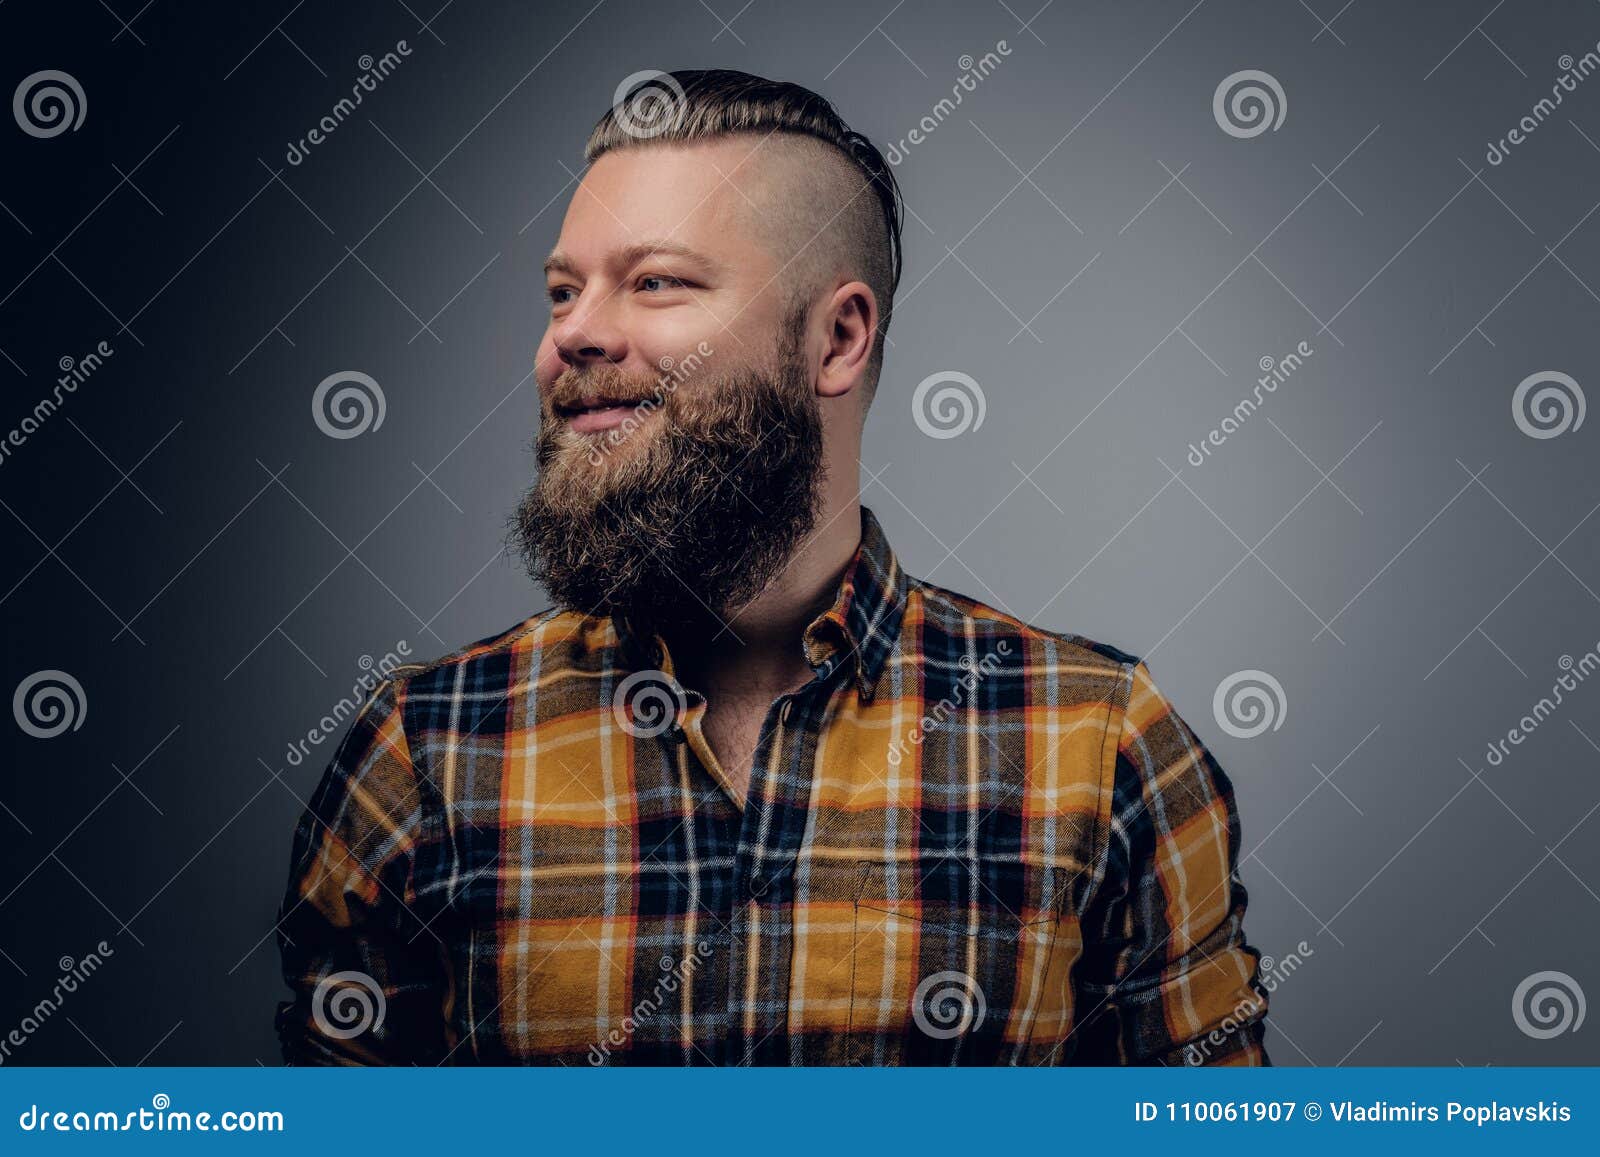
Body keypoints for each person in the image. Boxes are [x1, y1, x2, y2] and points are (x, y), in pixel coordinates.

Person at [275, 68, 1268, 1066]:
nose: (569, 333)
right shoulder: (427, 751)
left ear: (836, 338)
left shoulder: (1098, 743)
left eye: (655, 280)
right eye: (562, 291)